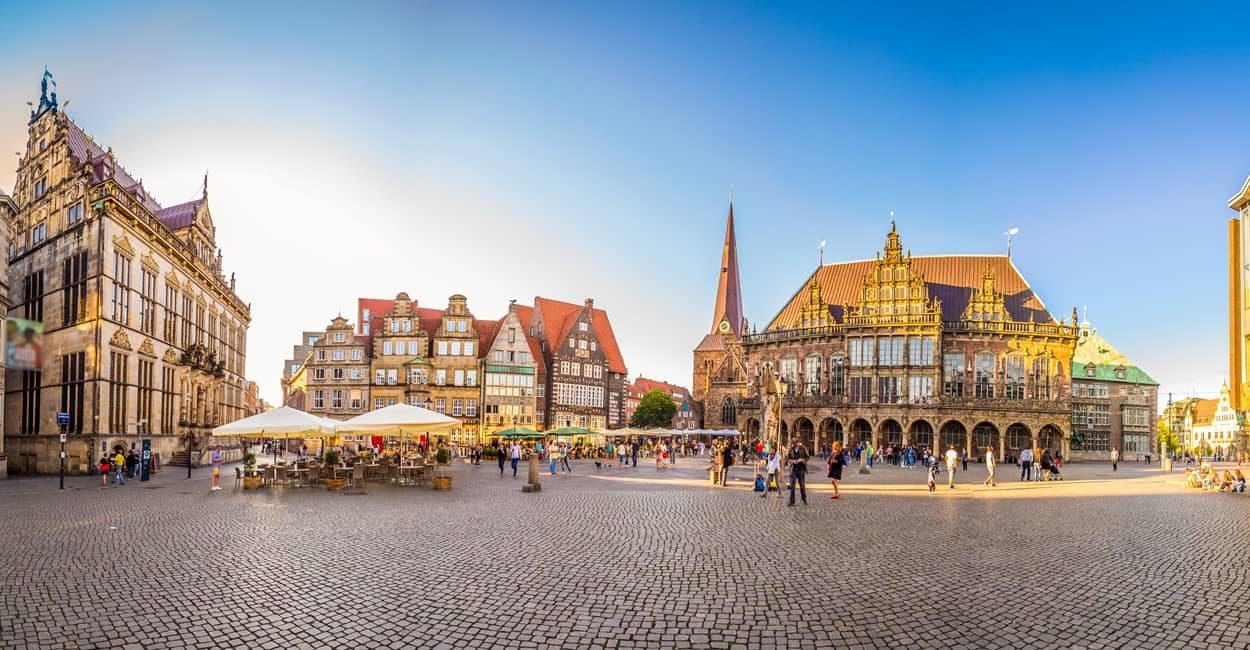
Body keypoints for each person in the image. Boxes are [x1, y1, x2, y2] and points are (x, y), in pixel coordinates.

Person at [786, 439, 809, 506]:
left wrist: (802, 460)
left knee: (802, 485)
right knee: (792, 485)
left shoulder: (803, 448)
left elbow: (807, 457)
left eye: (796, 444)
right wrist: (792, 461)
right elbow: (788, 458)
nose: (795, 446)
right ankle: (791, 501)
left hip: (801, 469)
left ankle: (804, 499)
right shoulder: (791, 449)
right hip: (793, 469)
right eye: (794, 444)